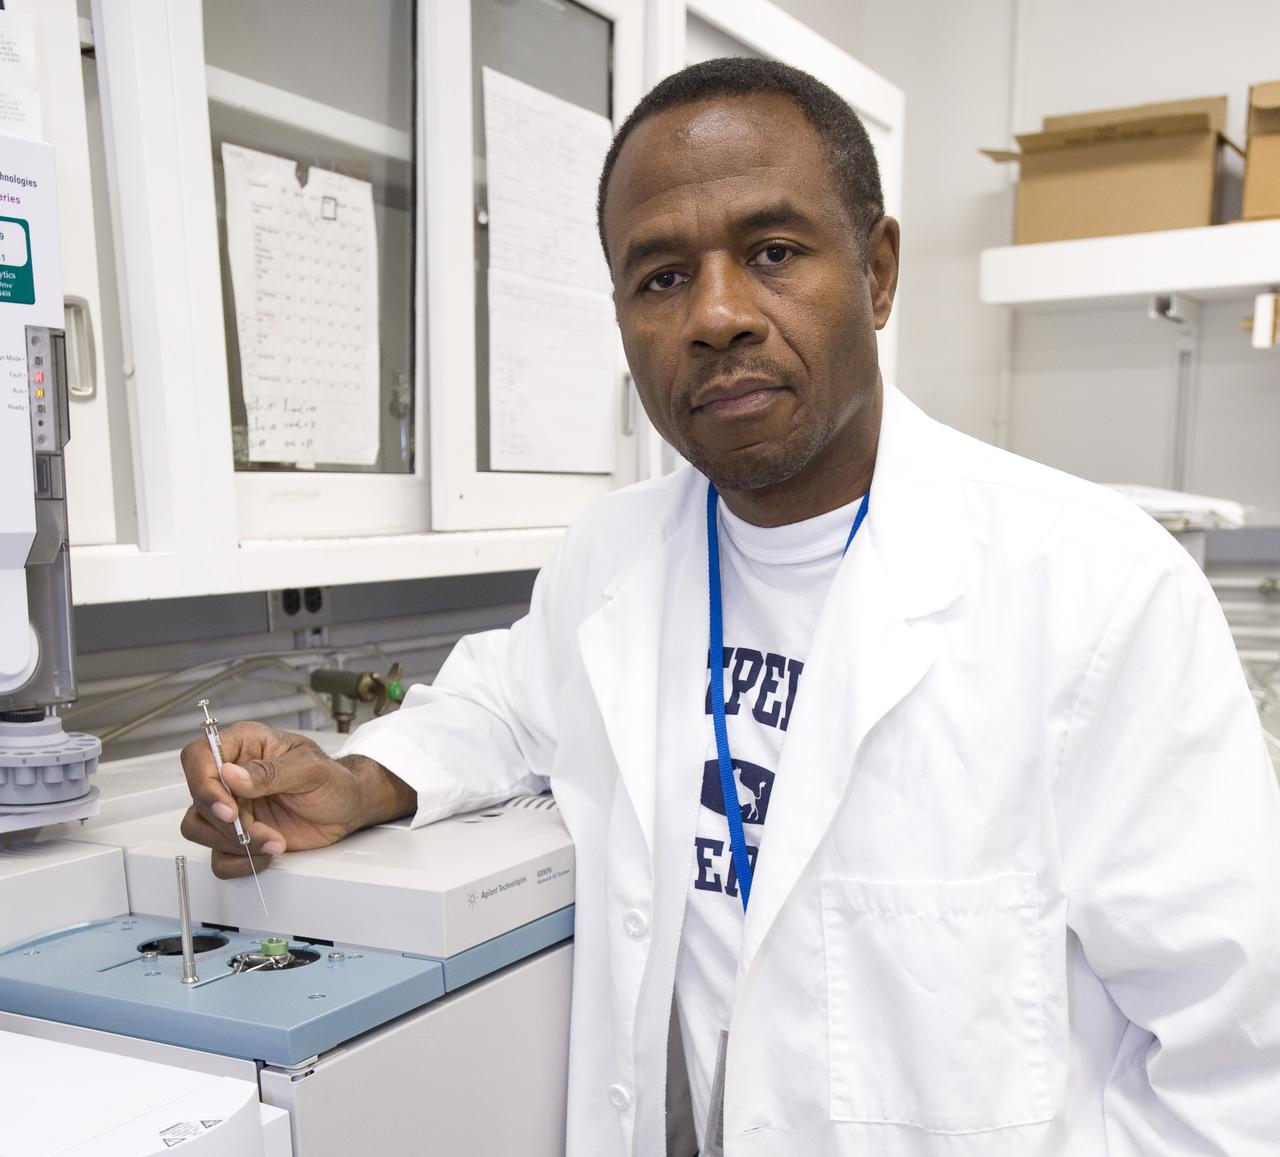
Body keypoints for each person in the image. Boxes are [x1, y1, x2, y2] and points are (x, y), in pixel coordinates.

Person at [180, 58, 1280, 1156]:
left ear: (877, 271)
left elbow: (1234, 1062)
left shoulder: (1095, 591)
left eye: (772, 252)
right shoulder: (612, 558)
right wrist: (360, 780)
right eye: (659, 277)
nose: (714, 315)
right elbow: (507, 706)